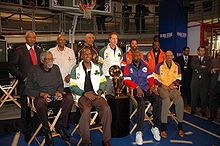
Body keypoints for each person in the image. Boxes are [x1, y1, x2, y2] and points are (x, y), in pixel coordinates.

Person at [24, 51, 73, 146]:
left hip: (55, 97)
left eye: (52, 59)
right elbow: (27, 90)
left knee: (69, 98)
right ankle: (47, 130)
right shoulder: (34, 70)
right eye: (48, 59)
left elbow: (60, 85)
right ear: (42, 60)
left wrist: (59, 92)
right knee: (40, 102)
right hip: (42, 98)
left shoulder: (56, 68)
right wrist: (41, 94)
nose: (51, 61)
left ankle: (60, 126)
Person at [70, 48, 112, 146]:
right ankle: (86, 141)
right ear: (81, 56)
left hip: (96, 95)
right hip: (82, 96)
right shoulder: (75, 69)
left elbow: (103, 82)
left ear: (92, 56)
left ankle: (106, 140)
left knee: (106, 109)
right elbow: (73, 86)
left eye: (89, 54)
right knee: (86, 111)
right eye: (85, 54)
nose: (87, 56)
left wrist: (101, 90)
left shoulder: (97, 67)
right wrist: (84, 93)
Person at [9, 30, 42, 143]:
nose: (32, 39)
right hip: (25, 85)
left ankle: (38, 129)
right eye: (30, 37)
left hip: (38, 85)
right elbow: (12, 67)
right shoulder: (18, 51)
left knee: (38, 107)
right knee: (26, 110)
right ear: (26, 38)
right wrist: (23, 77)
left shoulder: (39, 50)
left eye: (34, 37)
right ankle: (26, 132)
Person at [123, 50, 161, 144]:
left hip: (146, 88)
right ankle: (139, 131)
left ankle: (155, 127)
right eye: (135, 55)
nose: (137, 57)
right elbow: (126, 80)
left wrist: (152, 86)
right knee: (141, 102)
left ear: (140, 57)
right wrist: (136, 87)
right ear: (132, 57)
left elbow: (150, 77)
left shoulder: (145, 65)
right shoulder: (128, 67)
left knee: (158, 100)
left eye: (138, 55)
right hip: (134, 90)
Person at [154, 50, 184, 138]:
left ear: (173, 57)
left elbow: (179, 78)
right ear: (164, 57)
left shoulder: (177, 66)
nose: (169, 57)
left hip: (172, 87)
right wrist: (161, 85)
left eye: (171, 55)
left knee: (180, 101)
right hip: (162, 87)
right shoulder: (159, 65)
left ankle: (180, 126)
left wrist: (173, 84)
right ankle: (163, 127)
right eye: (167, 56)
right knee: (166, 100)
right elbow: (155, 78)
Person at [191, 46, 211, 117]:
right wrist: (201, 67)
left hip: (204, 81)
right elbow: (192, 66)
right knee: (194, 96)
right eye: (201, 50)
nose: (202, 52)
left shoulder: (208, 59)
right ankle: (193, 110)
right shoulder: (194, 58)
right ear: (198, 51)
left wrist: (198, 68)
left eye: (203, 51)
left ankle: (203, 111)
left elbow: (208, 68)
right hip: (195, 81)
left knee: (204, 97)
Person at [209, 52, 220, 121]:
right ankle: (212, 116)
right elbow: (209, 71)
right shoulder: (214, 61)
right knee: (213, 101)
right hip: (215, 84)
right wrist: (212, 70)